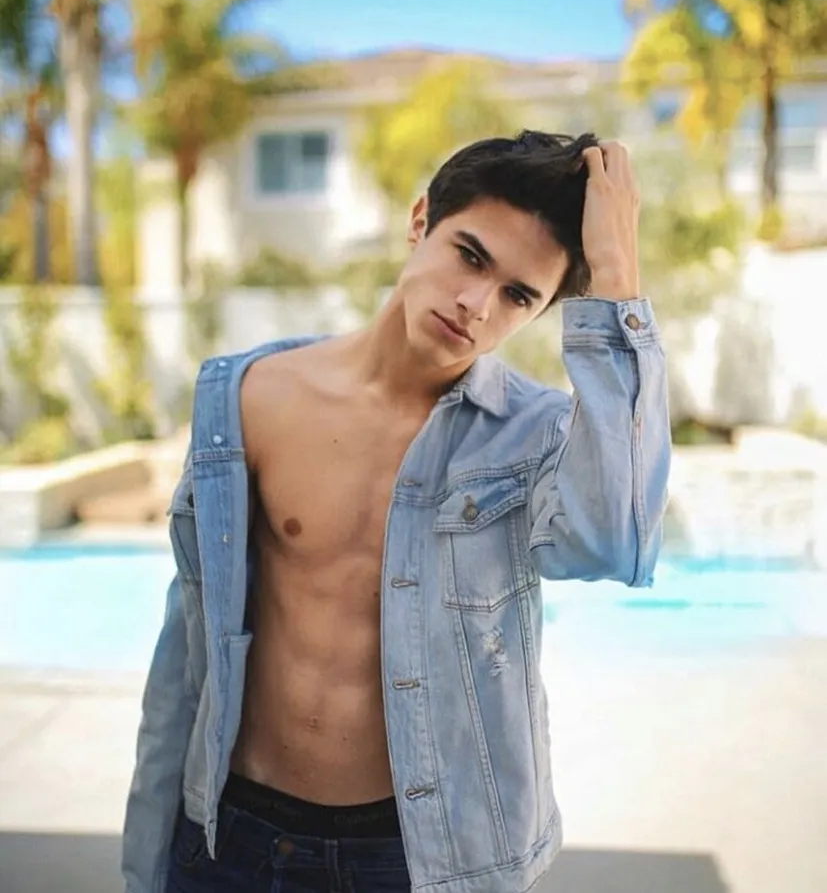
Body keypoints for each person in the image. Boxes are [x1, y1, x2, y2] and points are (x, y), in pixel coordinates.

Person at [122, 130, 671, 893]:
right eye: (469, 256)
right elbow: (189, 646)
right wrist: (146, 860)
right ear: (419, 222)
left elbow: (616, 546)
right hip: (230, 839)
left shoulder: (534, 435)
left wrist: (616, 278)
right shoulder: (252, 395)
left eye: (518, 296)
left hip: (414, 860)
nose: (476, 304)